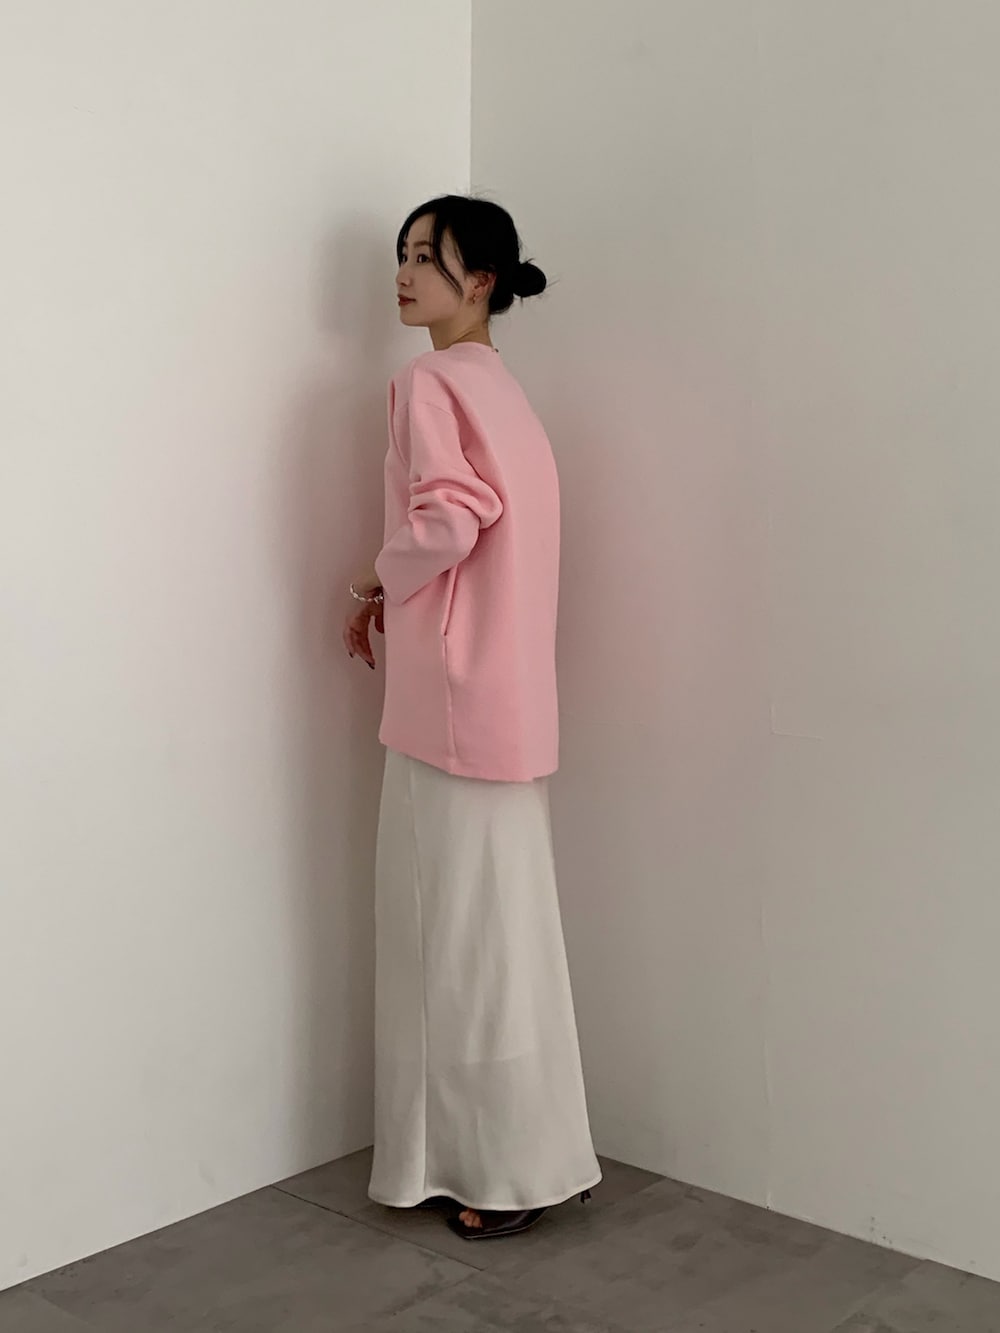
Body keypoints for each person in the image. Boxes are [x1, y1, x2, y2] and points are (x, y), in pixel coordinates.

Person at [343, 194, 601, 1241]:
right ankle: (540, 1154)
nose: (403, 275)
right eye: (401, 255)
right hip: (507, 704)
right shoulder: (507, 393)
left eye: (426, 257)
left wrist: (373, 578)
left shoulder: (428, 382)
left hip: (448, 707)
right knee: (507, 941)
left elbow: (450, 517)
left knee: (450, 947)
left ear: (480, 279)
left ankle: (493, 1171)